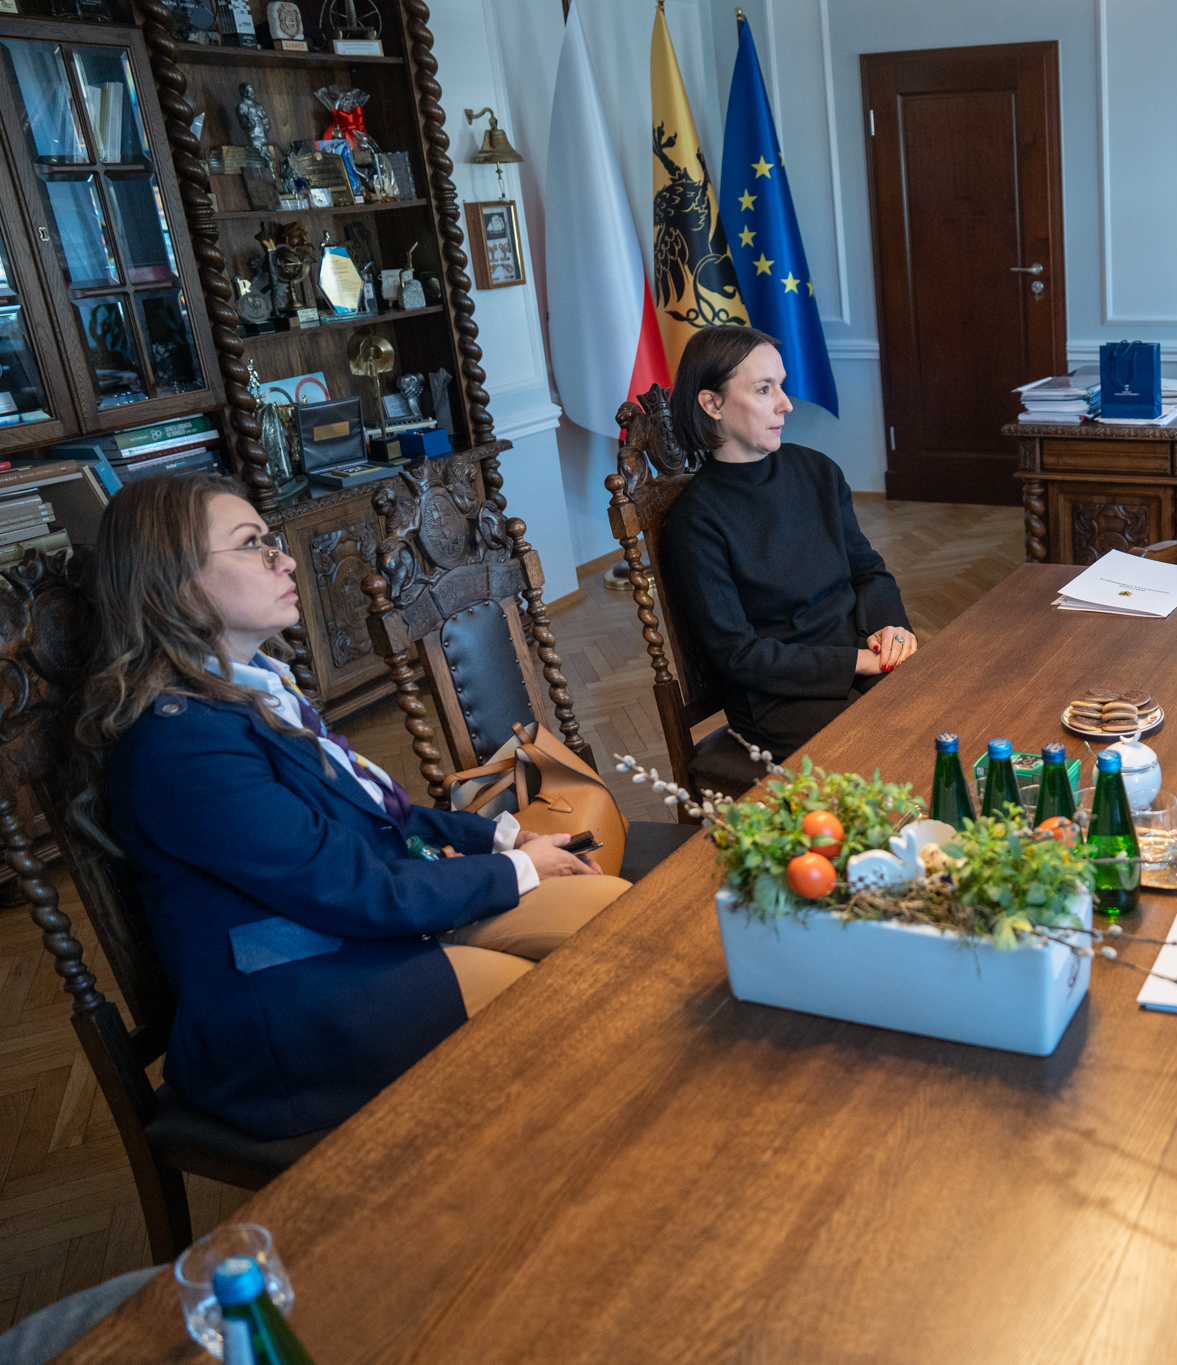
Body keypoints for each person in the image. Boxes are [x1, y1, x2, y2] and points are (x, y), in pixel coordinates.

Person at [76, 474, 628, 1141]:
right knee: (552, 996)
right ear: (174, 582)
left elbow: (382, 816)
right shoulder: (180, 744)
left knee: (613, 915)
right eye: (251, 544)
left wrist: (501, 842)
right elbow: (346, 886)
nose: (284, 560)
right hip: (290, 1011)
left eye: (273, 541)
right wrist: (519, 871)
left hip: (363, 935)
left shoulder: (256, 687)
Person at [658, 325, 914, 758]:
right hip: (778, 696)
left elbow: (868, 571)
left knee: (945, 706)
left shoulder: (818, 471)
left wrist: (892, 632)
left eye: (781, 385)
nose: (786, 404)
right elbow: (739, 655)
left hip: (861, 654)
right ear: (712, 404)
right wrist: (858, 662)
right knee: (889, 749)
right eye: (764, 390)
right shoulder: (694, 523)